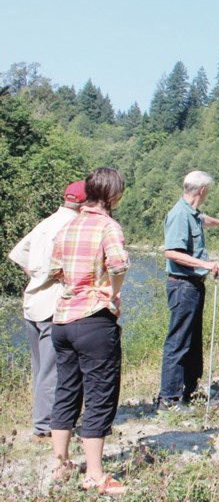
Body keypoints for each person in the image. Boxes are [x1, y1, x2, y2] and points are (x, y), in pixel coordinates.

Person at [48, 167, 128, 496]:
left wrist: (75, 285)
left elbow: (54, 271)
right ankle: (94, 475)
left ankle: (61, 464)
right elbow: (119, 264)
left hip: (62, 320)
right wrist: (111, 290)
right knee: (99, 394)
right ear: (113, 196)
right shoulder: (107, 226)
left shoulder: (68, 225)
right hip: (94, 320)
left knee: (66, 390)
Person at [8, 181, 86, 442]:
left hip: (32, 301)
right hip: (53, 304)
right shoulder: (72, 226)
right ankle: (45, 426)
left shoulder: (46, 222)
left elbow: (18, 254)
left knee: (41, 367)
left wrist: (36, 278)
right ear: (85, 204)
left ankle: (43, 420)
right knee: (54, 369)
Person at [158, 170, 219, 410]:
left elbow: (203, 220)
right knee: (178, 341)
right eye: (208, 191)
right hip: (182, 286)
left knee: (192, 340)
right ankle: (168, 399)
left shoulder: (191, 213)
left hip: (192, 285)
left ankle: (189, 390)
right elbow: (171, 252)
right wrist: (206, 264)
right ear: (202, 191)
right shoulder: (180, 215)